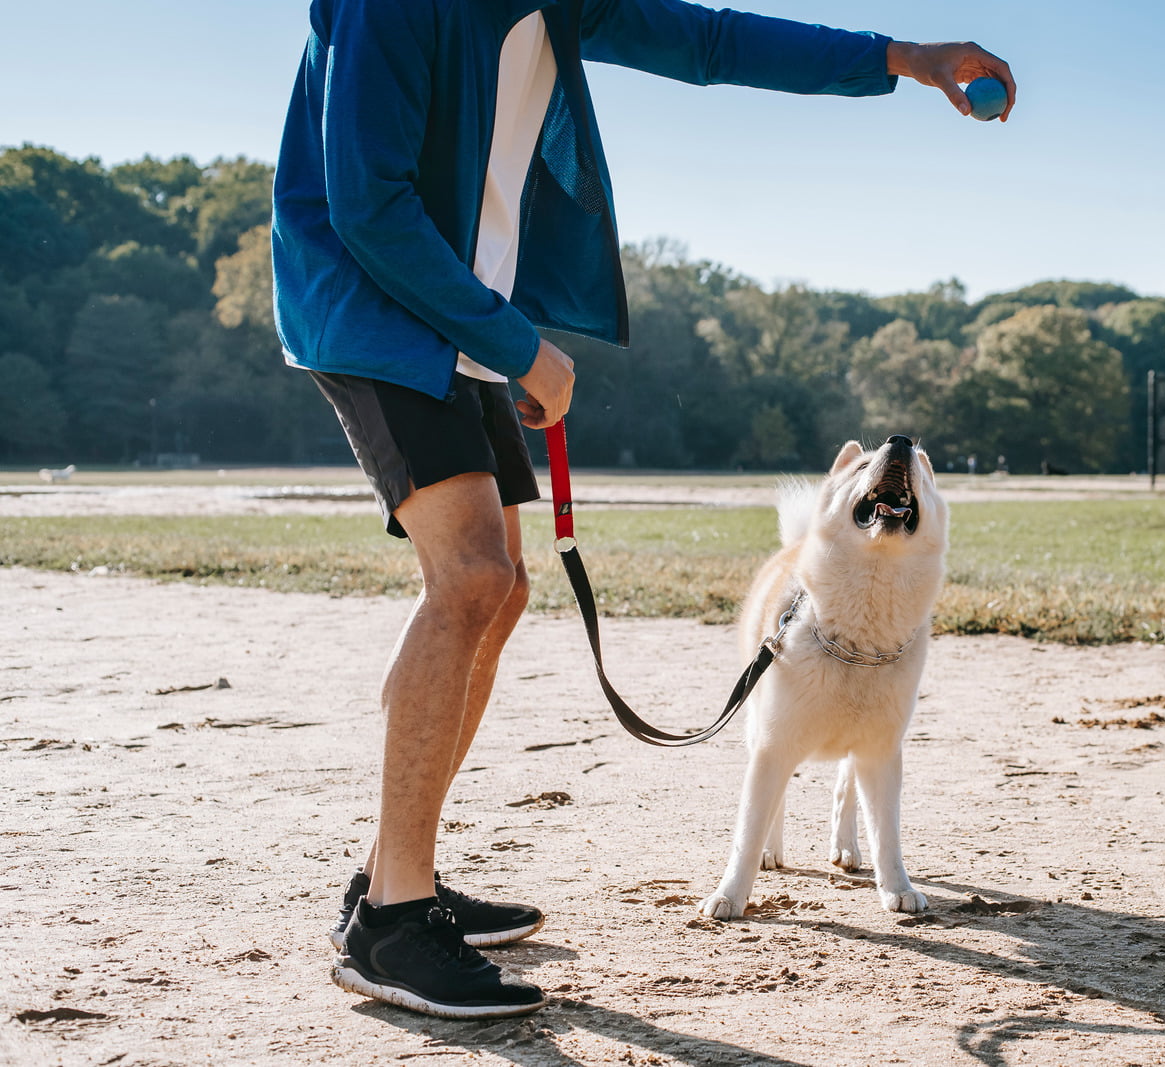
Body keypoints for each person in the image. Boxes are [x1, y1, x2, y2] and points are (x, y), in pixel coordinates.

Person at [272, 0, 1014, 1021]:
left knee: (504, 589)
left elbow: (708, 42)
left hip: (453, 315)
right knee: (471, 577)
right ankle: (392, 924)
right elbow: (365, 203)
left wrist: (902, 58)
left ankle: (393, 874)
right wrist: (514, 337)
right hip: (369, 304)